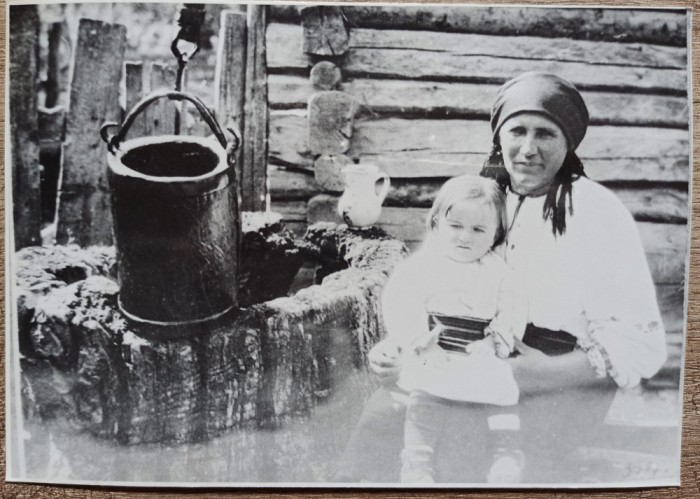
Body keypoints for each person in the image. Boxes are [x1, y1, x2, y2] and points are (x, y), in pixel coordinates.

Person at [335, 71, 667, 484]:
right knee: (383, 417)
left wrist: (541, 372)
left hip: (563, 381)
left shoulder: (597, 212)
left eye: (545, 134)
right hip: (467, 356)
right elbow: (432, 284)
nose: (528, 149)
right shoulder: (483, 200)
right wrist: (404, 350)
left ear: (569, 143)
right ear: (499, 138)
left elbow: (640, 344)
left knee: (468, 446)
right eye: (517, 132)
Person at [380, 175, 527, 483]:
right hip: (436, 349)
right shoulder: (423, 266)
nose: (465, 237)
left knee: (501, 387)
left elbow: (513, 308)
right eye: (456, 226)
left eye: (478, 230)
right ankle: (417, 461)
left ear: (496, 234)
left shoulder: (499, 272)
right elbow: (400, 302)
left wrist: (495, 340)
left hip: (477, 350)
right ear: (436, 223)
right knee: (423, 391)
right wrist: (422, 342)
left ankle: (506, 454)